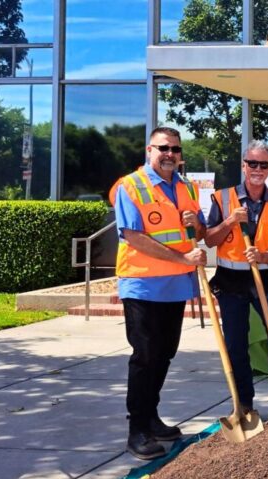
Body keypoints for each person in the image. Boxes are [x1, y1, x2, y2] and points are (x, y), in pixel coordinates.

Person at [112, 126, 206, 460]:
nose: (170, 155)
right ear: (149, 150)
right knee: (145, 355)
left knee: (165, 353)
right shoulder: (131, 186)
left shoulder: (187, 187)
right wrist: (183, 258)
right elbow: (132, 236)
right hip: (142, 284)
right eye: (163, 148)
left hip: (176, 286)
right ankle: (136, 428)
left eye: (176, 150)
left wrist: (197, 223)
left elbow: (200, 232)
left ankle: (151, 416)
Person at [204, 140, 268, 412]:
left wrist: (266, 256)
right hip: (230, 281)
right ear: (244, 166)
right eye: (252, 163)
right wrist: (230, 221)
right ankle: (243, 402)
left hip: (266, 279)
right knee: (235, 341)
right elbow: (209, 239)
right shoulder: (222, 199)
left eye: (263, 165)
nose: (258, 169)